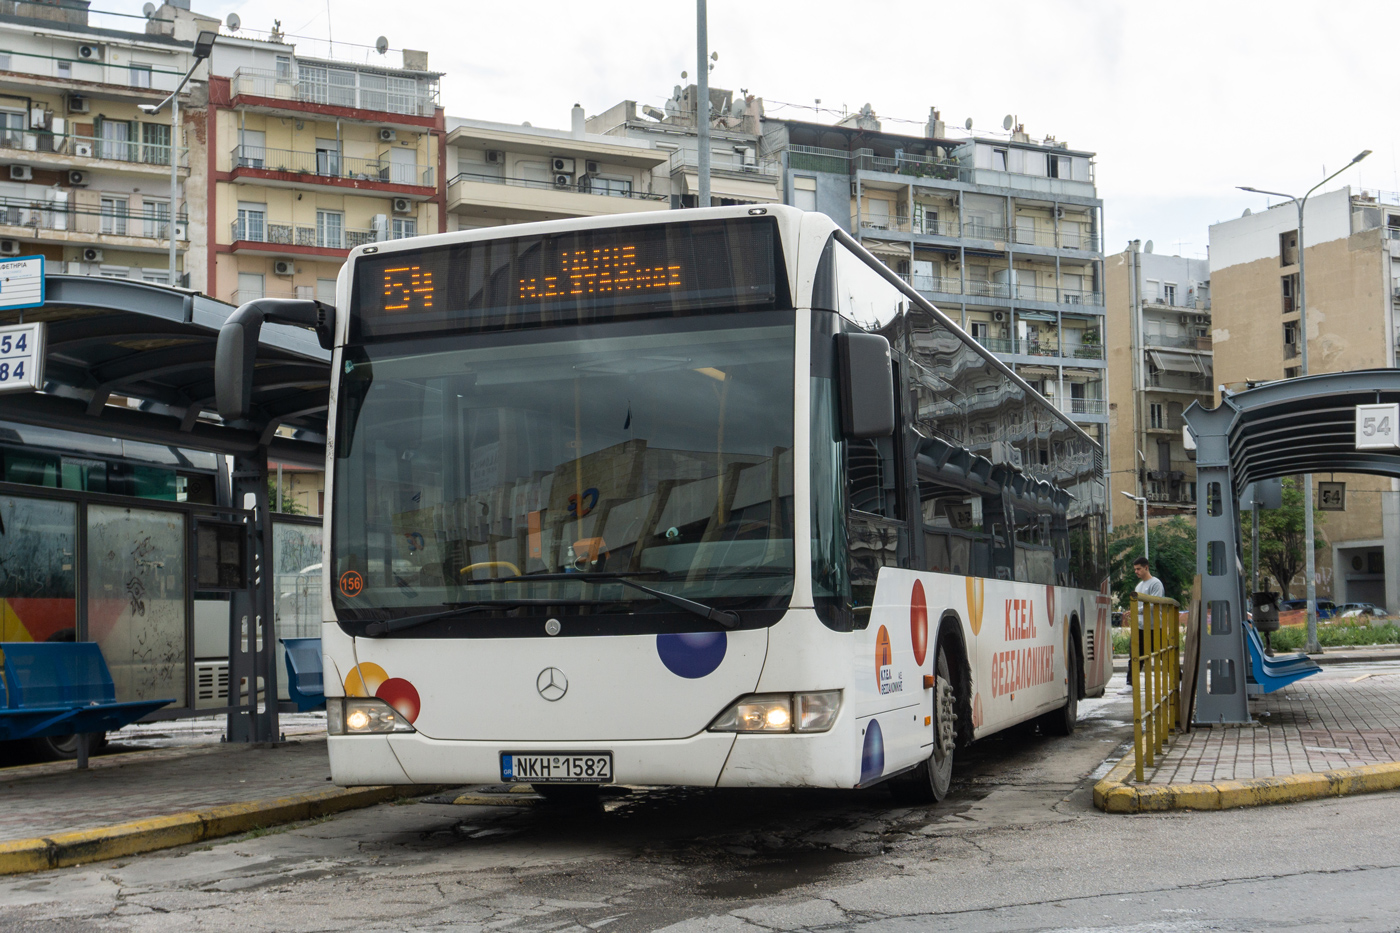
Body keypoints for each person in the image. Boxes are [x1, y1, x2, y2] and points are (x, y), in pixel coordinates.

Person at [1126, 557, 1164, 688]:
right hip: (1140, 627)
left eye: (1138, 569)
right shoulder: (1139, 585)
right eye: (1135, 569)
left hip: (1154, 627)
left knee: (1165, 656)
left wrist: (1136, 611)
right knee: (1135, 656)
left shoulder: (1156, 583)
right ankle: (1130, 683)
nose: (1136, 572)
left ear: (1146, 568)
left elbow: (1154, 603)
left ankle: (1179, 678)